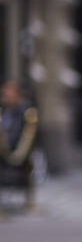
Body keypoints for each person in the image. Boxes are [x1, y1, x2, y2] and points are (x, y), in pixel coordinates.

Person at [0, 80, 38, 210]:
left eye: (8, 93)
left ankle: (29, 201)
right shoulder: (4, 110)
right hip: (4, 150)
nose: (5, 96)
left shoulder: (27, 112)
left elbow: (28, 134)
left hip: (19, 151)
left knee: (27, 170)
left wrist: (16, 154)